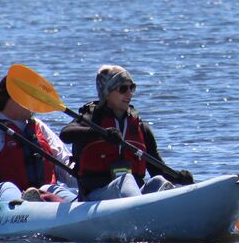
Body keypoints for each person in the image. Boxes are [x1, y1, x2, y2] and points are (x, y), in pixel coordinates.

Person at [59, 65, 193, 201]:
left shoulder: (140, 127)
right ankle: (140, 211)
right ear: (107, 93)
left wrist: (178, 178)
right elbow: (65, 134)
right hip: (95, 196)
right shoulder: (91, 119)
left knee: (158, 182)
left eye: (132, 87)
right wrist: (100, 133)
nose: (129, 93)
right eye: (123, 89)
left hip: (132, 196)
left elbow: (156, 169)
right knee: (125, 179)